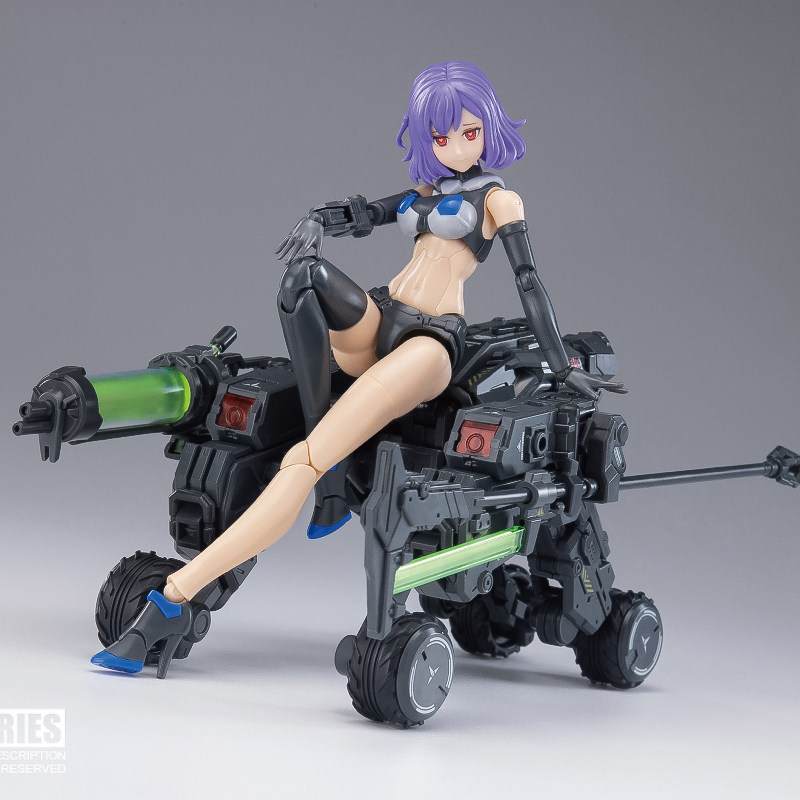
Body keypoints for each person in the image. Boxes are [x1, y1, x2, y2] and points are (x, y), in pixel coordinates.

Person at [91, 61, 624, 676]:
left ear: (488, 131)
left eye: (470, 132)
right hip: (384, 315)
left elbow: (529, 283)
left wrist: (560, 364)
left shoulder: (500, 200)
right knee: (303, 279)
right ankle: (330, 455)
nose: (456, 146)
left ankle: (175, 598)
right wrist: (319, 218)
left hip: (431, 342)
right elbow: (366, 213)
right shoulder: (425, 193)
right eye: (441, 135)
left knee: (301, 462)